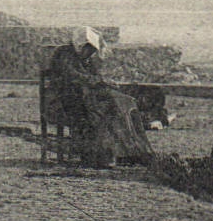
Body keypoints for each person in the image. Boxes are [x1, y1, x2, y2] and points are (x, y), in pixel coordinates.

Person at [43, 29, 151, 168]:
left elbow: (95, 77)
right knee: (104, 111)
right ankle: (103, 155)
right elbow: (72, 76)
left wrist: (105, 82)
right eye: (89, 49)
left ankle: (133, 151)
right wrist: (98, 81)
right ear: (81, 44)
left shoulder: (85, 60)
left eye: (93, 50)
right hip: (63, 101)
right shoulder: (64, 54)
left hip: (82, 98)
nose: (90, 53)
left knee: (124, 105)